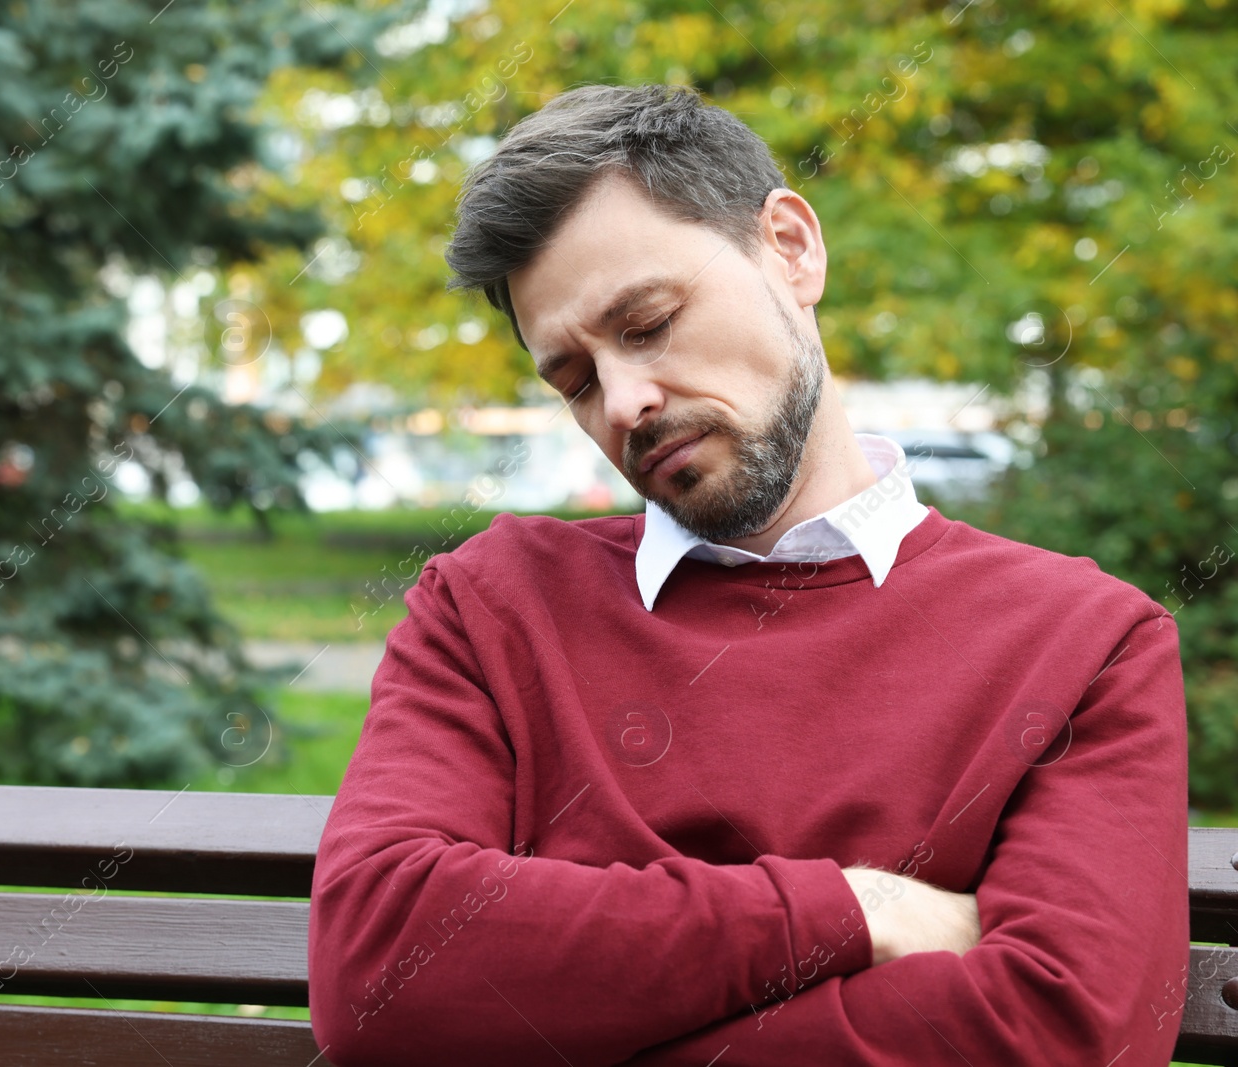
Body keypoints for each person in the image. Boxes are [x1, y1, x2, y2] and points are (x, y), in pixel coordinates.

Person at [307, 83, 1188, 1067]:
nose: (624, 404)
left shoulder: (1085, 641)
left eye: (645, 323)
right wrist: (860, 907)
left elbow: (1057, 1030)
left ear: (791, 247)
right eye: (575, 380)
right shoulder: (488, 605)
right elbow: (382, 968)